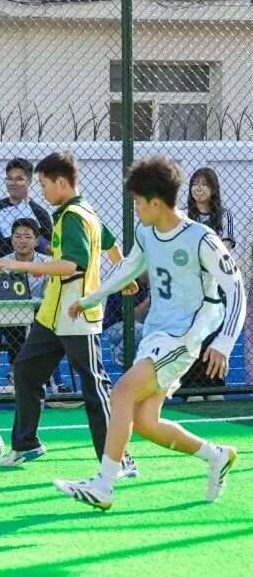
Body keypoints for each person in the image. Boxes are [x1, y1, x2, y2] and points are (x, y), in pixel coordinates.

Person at [54, 156, 244, 510]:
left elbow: (236, 289)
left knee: (122, 392)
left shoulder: (201, 238)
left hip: (184, 337)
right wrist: (90, 298)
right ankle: (216, 455)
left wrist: (224, 341)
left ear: (156, 202)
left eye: (138, 202)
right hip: (156, 334)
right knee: (144, 421)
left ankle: (104, 485)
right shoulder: (146, 233)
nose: (135, 208)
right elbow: (128, 269)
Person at [0, 151, 137, 475]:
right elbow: (111, 244)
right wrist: (123, 275)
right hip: (52, 315)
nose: (42, 191)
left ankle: (118, 460)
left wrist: (20, 265)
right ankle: (26, 444)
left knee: (94, 387)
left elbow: (72, 265)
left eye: (44, 184)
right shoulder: (85, 211)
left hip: (76, 313)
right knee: (26, 370)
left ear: (61, 182)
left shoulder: (73, 215)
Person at [181, 167, 235, 400]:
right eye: (195, 183)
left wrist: (206, 259)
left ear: (213, 189)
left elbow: (226, 246)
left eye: (204, 184)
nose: (199, 188)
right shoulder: (183, 216)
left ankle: (214, 385)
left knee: (214, 333)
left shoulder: (224, 215)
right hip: (190, 285)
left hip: (216, 283)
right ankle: (191, 387)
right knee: (192, 333)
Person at [0, 218, 51, 388]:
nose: (22, 241)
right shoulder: (0, 264)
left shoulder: (47, 263)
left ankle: (18, 371)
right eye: (17, 236)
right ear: (11, 240)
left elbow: (49, 296)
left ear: (36, 241)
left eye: (27, 236)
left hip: (37, 314)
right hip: (5, 315)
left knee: (24, 324)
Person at [0, 158, 53, 270]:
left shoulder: (40, 213)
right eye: (9, 179)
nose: (13, 183)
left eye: (19, 179)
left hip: (27, 274)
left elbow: (49, 248)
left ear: (29, 181)